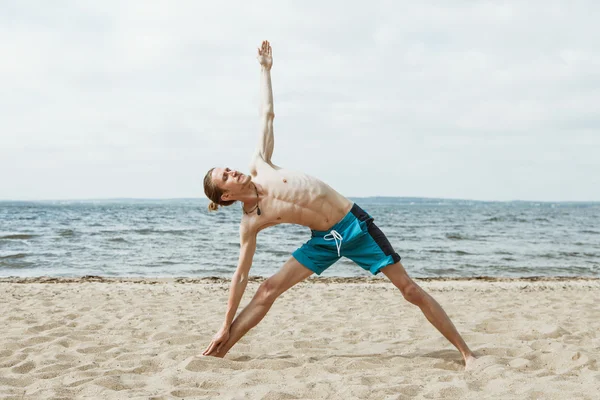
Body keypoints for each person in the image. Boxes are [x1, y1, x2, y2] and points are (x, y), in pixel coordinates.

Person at [202, 40, 476, 368]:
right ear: (227, 196)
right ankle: (218, 353)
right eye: (226, 176)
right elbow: (241, 274)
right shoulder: (251, 222)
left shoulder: (261, 163)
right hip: (324, 242)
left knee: (409, 290)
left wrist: (265, 69)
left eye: (228, 168)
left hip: (353, 225)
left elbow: (267, 114)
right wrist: (225, 322)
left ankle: (466, 353)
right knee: (266, 290)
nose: (232, 171)